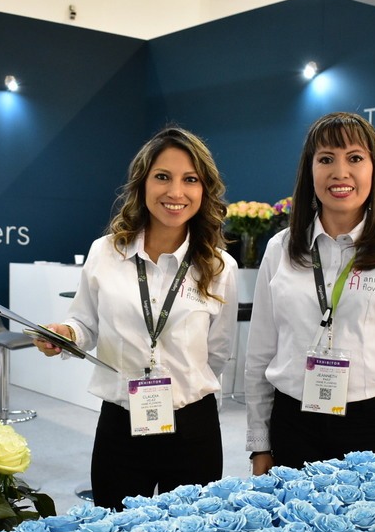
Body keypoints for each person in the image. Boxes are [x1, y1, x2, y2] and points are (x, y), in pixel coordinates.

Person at [33, 126, 238, 510]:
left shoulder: (219, 267)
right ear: (142, 183)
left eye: (190, 179)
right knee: (115, 531)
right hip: (121, 423)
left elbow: (218, 353)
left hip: (193, 427)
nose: (176, 192)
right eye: (162, 177)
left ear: (204, 190)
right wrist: (65, 333)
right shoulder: (105, 252)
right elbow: (84, 323)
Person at [245, 112, 375, 476]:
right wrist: (259, 444)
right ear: (310, 171)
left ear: (374, 168)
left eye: (354, 158)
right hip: (293, 424)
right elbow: (260, 354)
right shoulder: (281, 248)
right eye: (326, 159)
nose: (340, 172)